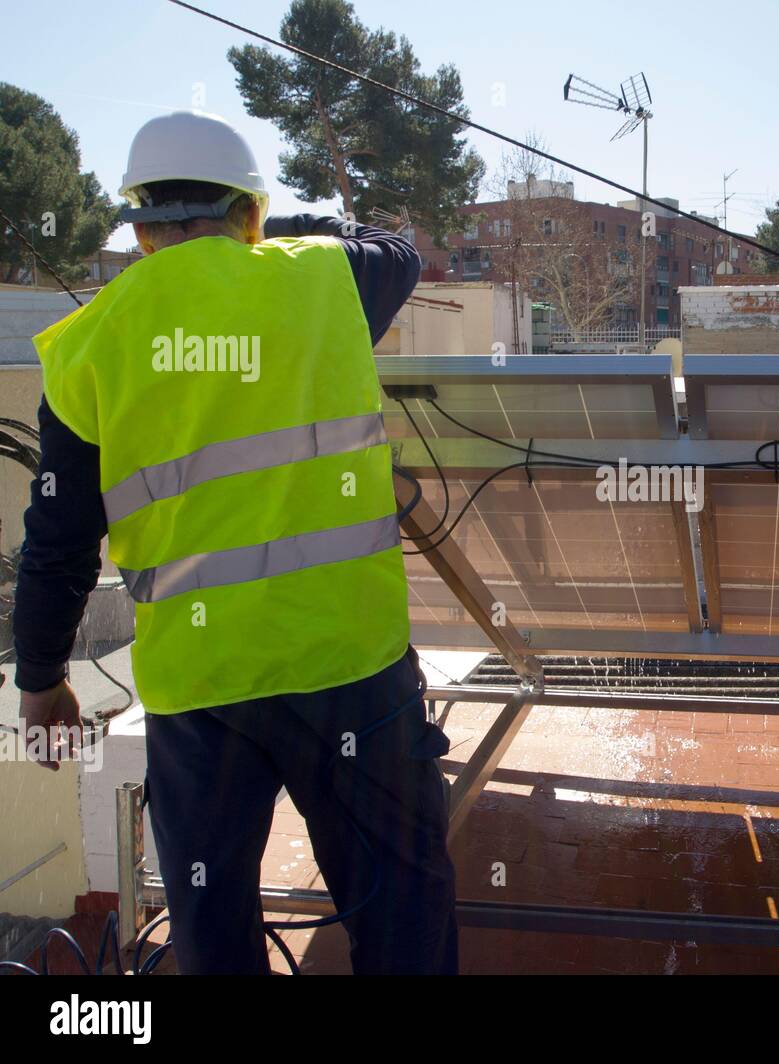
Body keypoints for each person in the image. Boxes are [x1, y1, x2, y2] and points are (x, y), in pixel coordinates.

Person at [13, 110, 457, 975]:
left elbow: (57, 540)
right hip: (351, 672)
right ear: (251, 212)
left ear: (138, 229)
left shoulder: (86, 347)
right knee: (404, 904)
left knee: (213, 930)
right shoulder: (326, 279)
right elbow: (398, 250)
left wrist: (40, 680)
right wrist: (288, 224)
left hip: (201, 694)